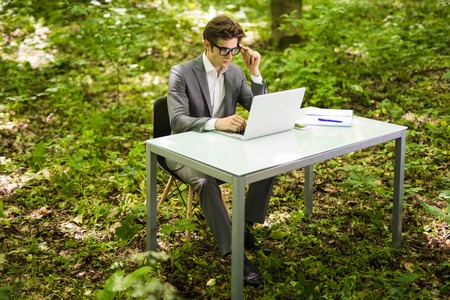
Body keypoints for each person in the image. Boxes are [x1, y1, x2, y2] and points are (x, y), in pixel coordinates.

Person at [166, 15, 276, 286]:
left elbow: (260, 110)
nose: (229, 55)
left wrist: (255, 74)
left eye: (234, 49)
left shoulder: (236, 72)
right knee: (205, 182)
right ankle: (235, 253)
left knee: (270, 163)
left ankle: (243, 229)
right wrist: (217, 123)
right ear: (207, 45)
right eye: (223, 49)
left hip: (224, 149)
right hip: (185, 149)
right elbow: (177, 121)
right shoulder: (181, 73)